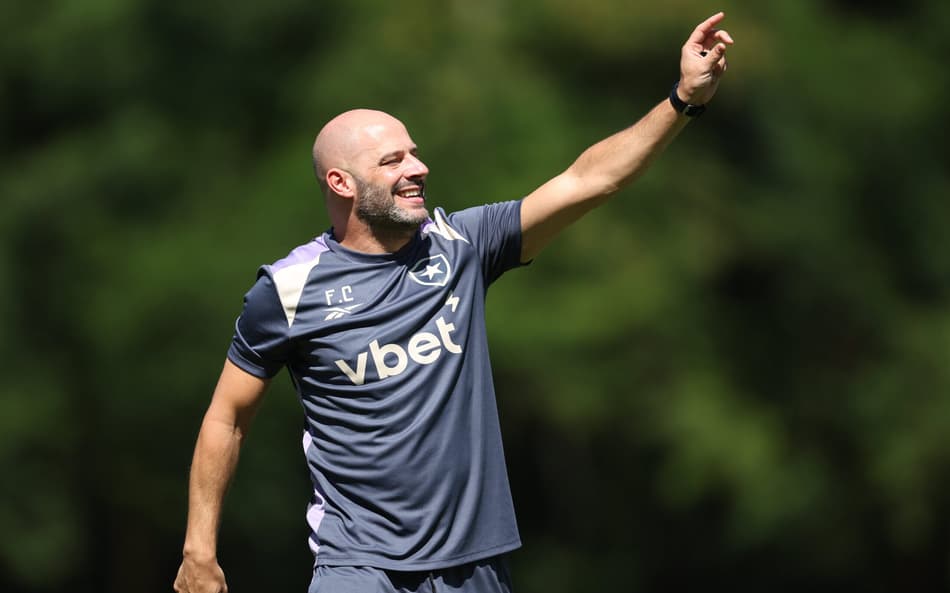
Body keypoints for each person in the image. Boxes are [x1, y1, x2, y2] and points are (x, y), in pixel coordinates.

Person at [173, 12, 733, 593]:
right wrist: (199, 550)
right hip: (359, 568)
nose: (418, 168)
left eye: (413, 153)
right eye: (392, 161)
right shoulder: (287, 291)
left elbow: (588, 181)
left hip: (476, 566)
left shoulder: (463, 245)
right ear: (341, 184)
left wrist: (682, 100)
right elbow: (227, 417)